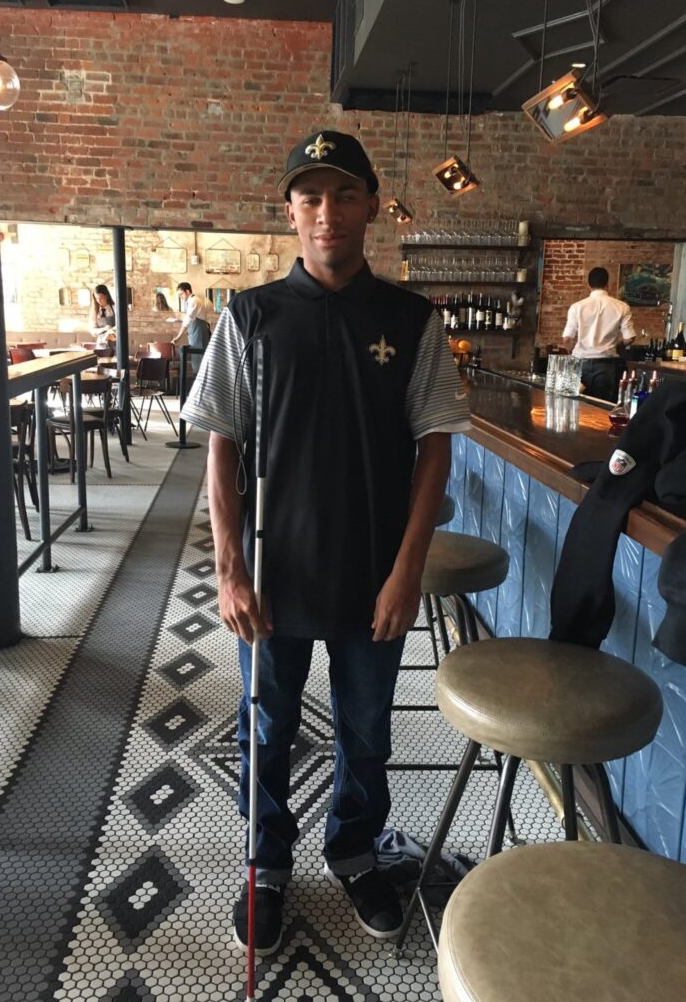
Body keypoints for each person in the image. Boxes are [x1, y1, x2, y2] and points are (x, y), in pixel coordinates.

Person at [180, 129, 470, 956]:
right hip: (276, 573)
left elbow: (436, 443)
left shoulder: (414, 321)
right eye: (310, 196)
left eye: (344, 194)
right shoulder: (252, 317)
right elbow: (221, 443)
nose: (327, 212)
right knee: (267, 728)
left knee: (367, 732)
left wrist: (408, 572)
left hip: (374, 573)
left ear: (372, 204)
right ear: (290, 212)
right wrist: (229, 571)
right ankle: (265, 864)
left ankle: (352, 848)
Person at [562, 267, 635, 402]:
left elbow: (567, 339)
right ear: (608, 284)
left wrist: (572, 352)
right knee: (601, 409)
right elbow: (629, 338)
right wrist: (616, 345)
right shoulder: (622, 307)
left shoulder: (577, 307)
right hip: (606, 366)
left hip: (579, 365)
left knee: (575, 406)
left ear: (588, 284)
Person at [172, 281, 212, 373]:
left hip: (199, 331)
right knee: (196, 356)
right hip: (195, 331)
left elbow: (188, 320)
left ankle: (199, 381)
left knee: (199, 356)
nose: (181, 297)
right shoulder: (190, 301)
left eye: (181, 294)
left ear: (187, 291)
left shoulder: (194, 300)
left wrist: (178, 337)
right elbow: (189, 319)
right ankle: (197, 379)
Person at [89, 284, 116, 354]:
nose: (99, 301)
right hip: (101, 345)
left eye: (101, 298)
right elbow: (93, 331)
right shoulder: (94, 311)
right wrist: (104, 329)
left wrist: (111, 330)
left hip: (115, 343)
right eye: (96, 298)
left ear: (106, 296)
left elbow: (121, 325)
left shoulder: (115, 308)